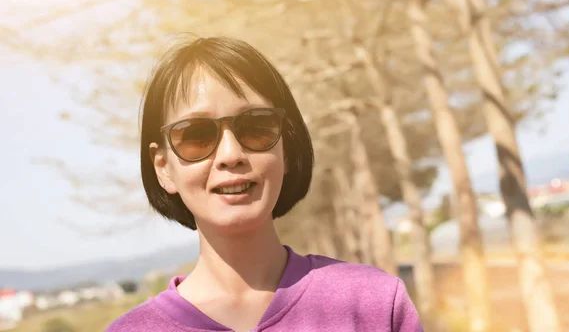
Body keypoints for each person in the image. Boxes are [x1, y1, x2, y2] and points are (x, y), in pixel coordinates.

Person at [106, 36, 422, 332]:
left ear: (286, 147)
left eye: (256, 126)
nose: (231, 155)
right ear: (163, 167)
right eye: (196, 136)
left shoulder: (374, 304)